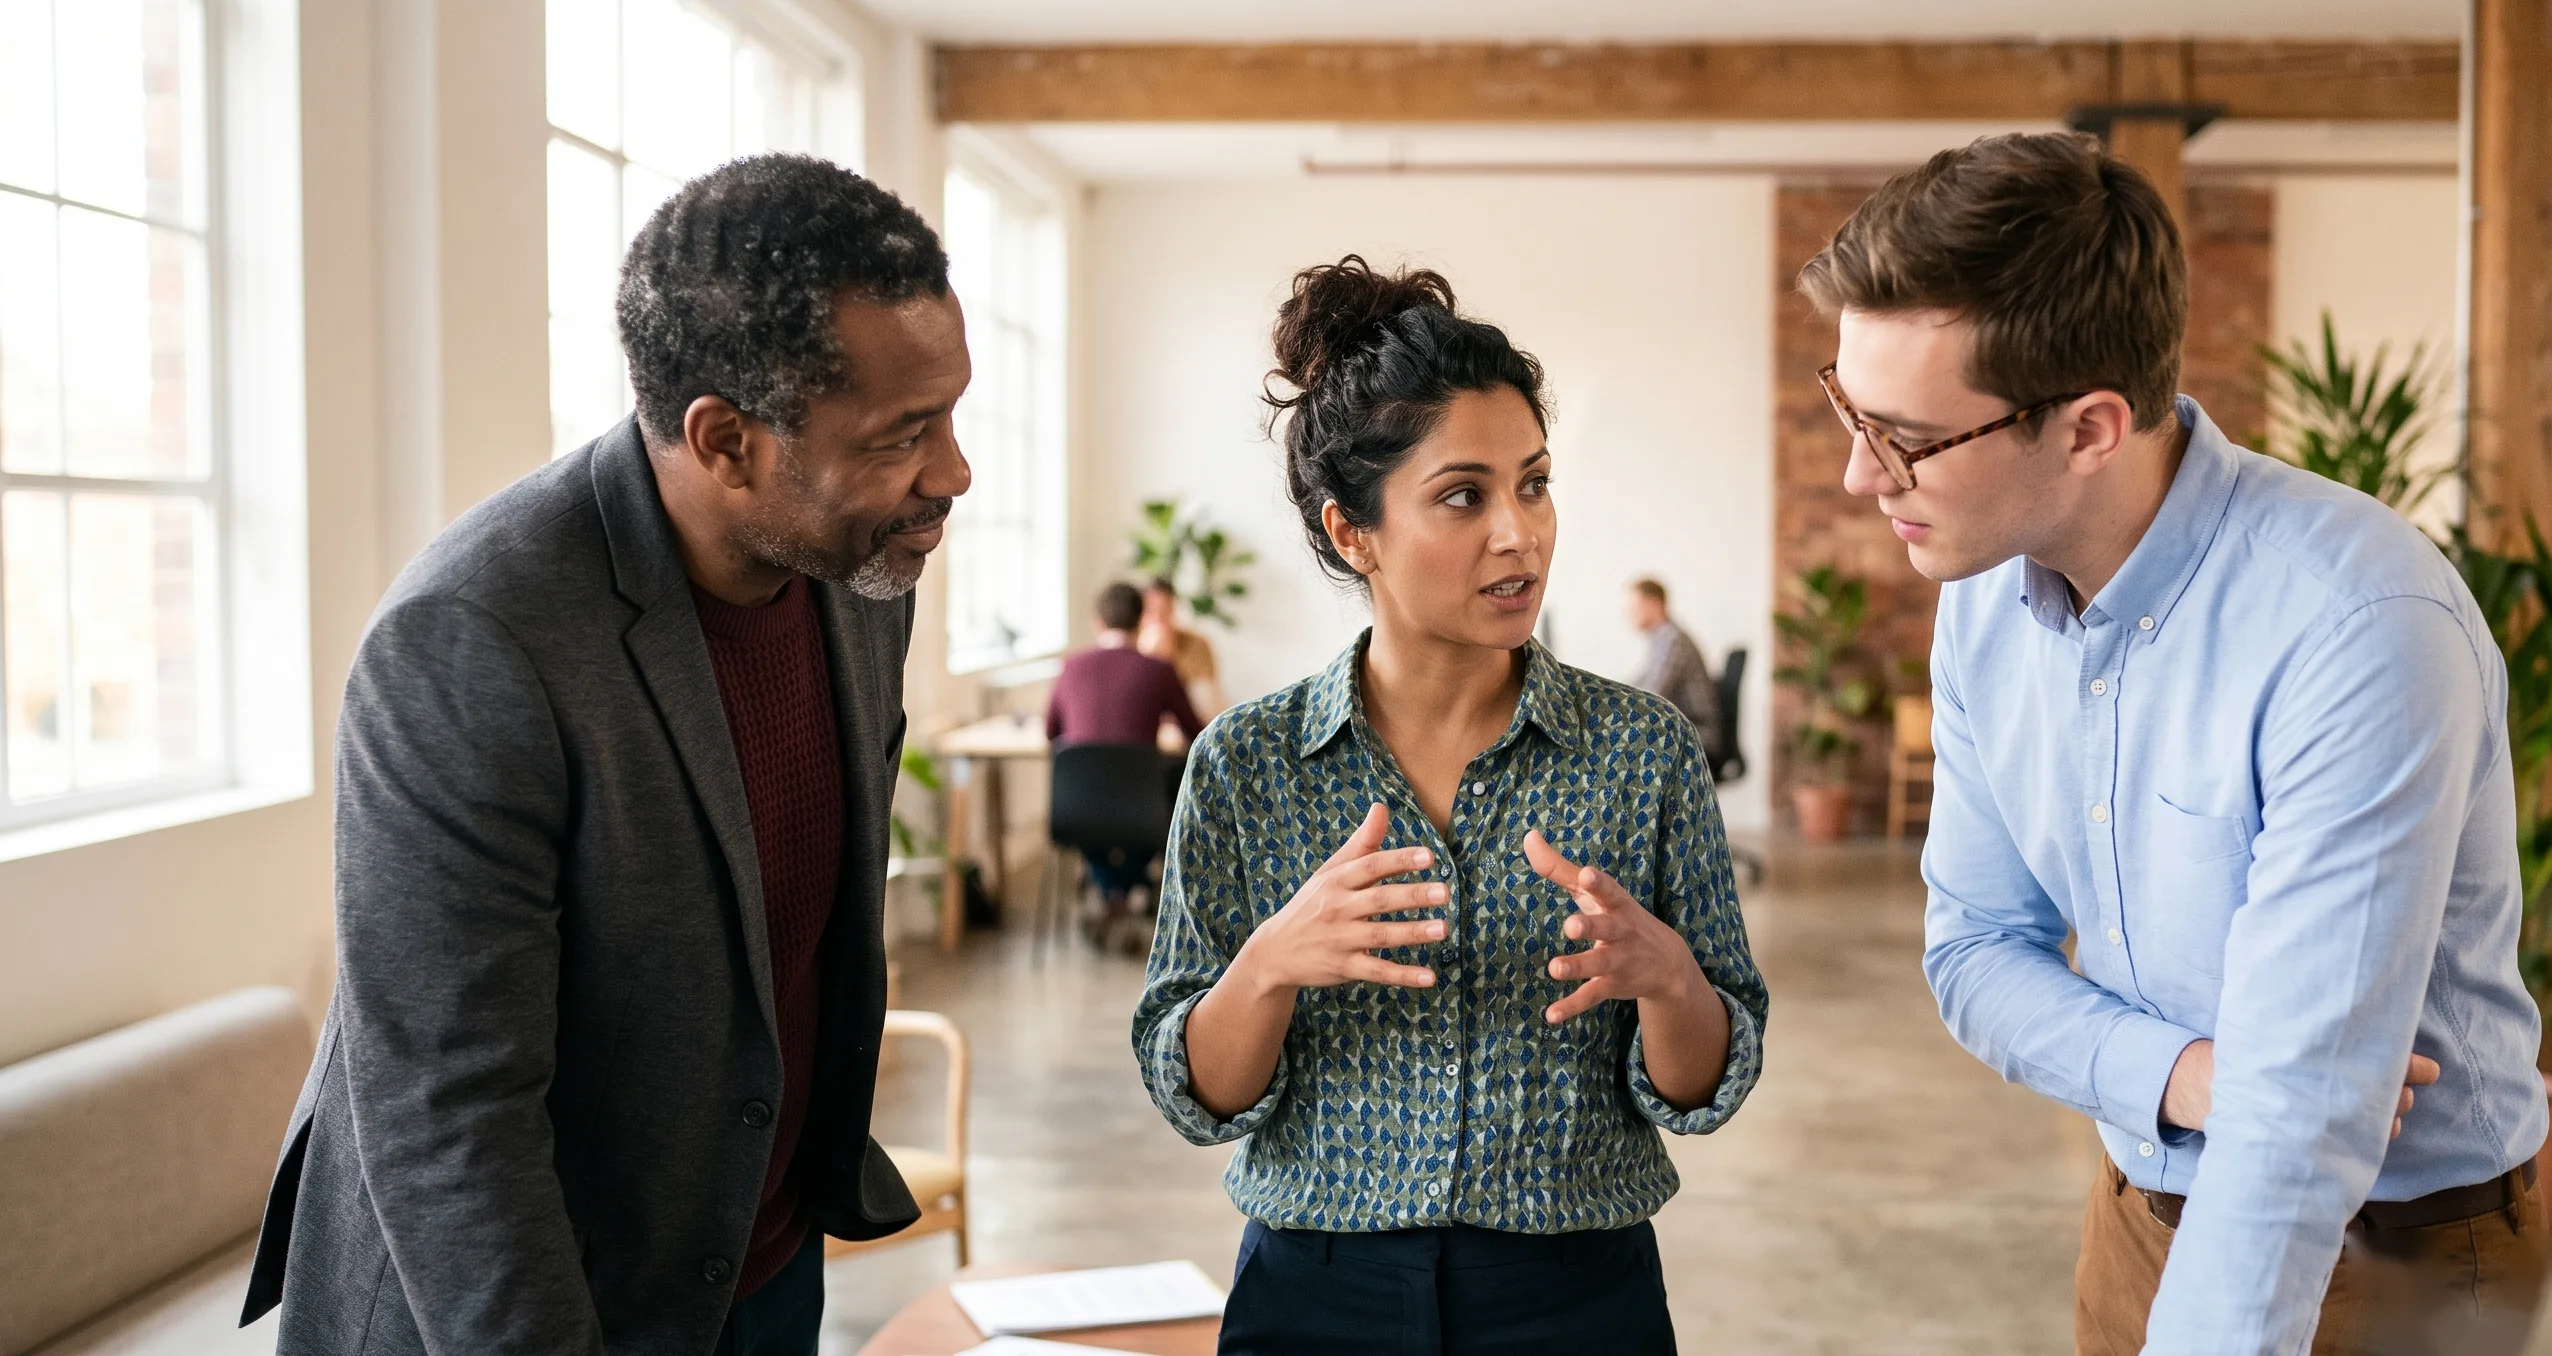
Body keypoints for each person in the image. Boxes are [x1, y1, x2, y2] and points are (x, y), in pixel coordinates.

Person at [1804, 131, 2547, 1354]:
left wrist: (2238, 1092)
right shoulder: (1981, 596)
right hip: (2135, 1212)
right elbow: (1973, 953)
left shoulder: (2357, 626)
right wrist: (2176, 1074)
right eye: (1846, 409)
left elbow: (2298, 1122)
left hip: (2394, 1249)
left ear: (2089, 427)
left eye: (1902, 437)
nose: (1852, 475)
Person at [241, 155, 973, 1356]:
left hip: (761, 1257)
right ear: (725, 440)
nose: (949, 472)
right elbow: (446, 1108)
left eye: (948, 415)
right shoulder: (474, 638)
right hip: (523, 1302)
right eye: (903, 435)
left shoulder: (861, 573)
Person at [1132, 256, 1766, 1355]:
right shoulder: (1246, 763)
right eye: (1463, 495)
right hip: (1315, 1297)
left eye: (1533, 481)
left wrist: (1668, 982)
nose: (1518, 533)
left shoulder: (1643, 753)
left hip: (1575, 1295)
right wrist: (1270, 962)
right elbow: (1198, 1097)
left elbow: (1703, 1084)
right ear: (1351, 533)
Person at [1048, 581, 1204, 948]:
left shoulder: (1070, 666)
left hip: (1076, 812)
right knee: (1158, 810)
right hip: (1142, 811)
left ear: (1097, 622)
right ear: (1140, 623)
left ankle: (1111, 895)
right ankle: (1123, 894)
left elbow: (1051, 731)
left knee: (1096, 827)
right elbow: (1195, 733)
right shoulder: (1159, 670)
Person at [1625, 576, 1722, 764]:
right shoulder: (1660, 639)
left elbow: (1653, 695)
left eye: (1634, 608)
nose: (1629, 615)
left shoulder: (1673, 640)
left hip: (1698, 733)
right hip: (1683, 728)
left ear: (1654, 603)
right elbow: (1640, 681)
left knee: (1628, 750)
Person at [1138, 575, 1227, 717]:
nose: (1158, 620)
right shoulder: (1132, 650)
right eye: (1151, 612)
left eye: (1166, 611)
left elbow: (1208, 703)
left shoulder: (1197, 644)